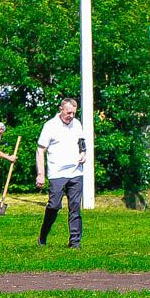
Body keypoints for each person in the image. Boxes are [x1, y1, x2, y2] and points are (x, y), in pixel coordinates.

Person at [35, 98, 87, 248]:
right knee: (54, 205)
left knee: (75, 206)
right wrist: (41, 173)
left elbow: (81, 142)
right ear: (61, 109)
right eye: (68, 112)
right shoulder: (50, 126)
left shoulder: (77, 124)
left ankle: (75, 243)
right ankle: (43, 235)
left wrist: (83, 153)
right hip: (57, 173)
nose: (71, 115)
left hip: (76, 172)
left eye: (74, 113)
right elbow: (40, 150)